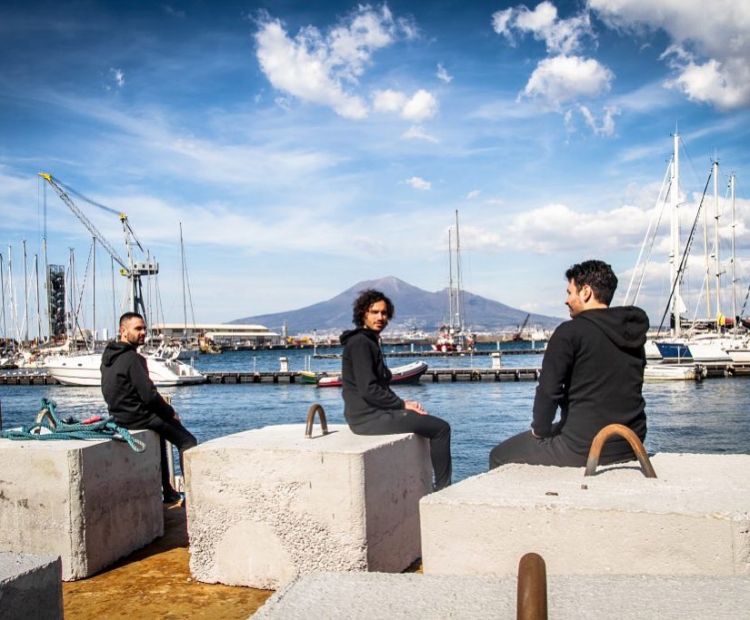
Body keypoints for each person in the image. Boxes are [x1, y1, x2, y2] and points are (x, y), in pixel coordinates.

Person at [489, 259, 649, 469]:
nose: (566, 300)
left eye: (569, 292)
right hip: (631, 441)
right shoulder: (632, 334)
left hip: (583, 447)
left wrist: (540, 431)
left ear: (586, 292)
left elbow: (548, 392)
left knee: (498, 455)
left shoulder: (569, 332)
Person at [340, 289, 452, 490]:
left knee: (424, 418)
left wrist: (404, 405)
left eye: (384, 313)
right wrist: (401, 404)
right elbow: (369, 390)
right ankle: (444, 489)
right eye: (374, 312)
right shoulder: (360, 343)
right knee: (441, 429)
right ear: (363, 314)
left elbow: (379, 386)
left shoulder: (369, 341)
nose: (380, 317)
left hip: (372, 415)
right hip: (367, 420)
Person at [101, 312, 197, 503]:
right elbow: (149, 395)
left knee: (160, 436)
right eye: (138, 328)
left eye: (144, 328)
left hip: (120, 418)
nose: (143, 332)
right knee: (188, 442)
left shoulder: (108, 358)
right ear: (123, 330)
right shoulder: (132, 359)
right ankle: (195, 496)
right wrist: (171, 413)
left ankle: (168, 491)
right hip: (139, 417)